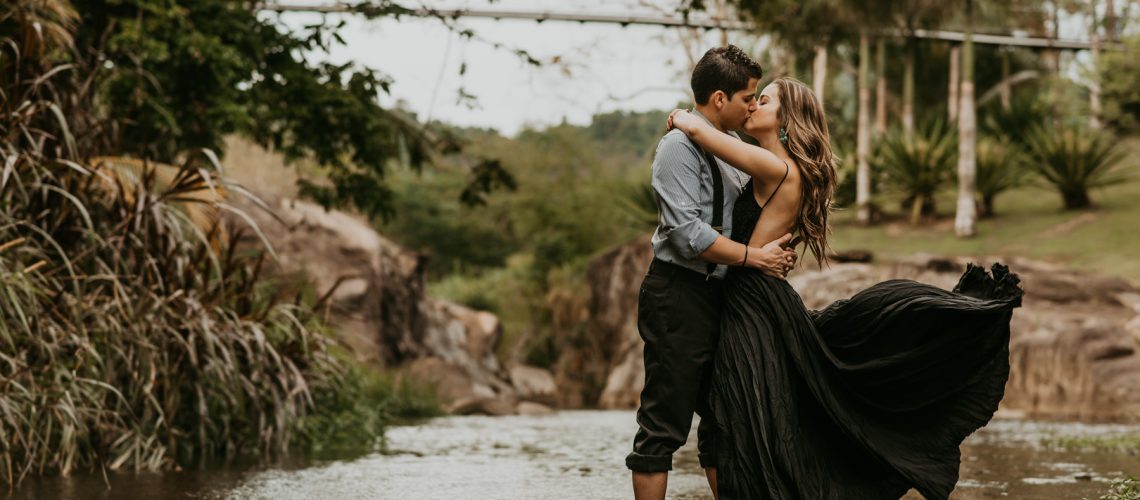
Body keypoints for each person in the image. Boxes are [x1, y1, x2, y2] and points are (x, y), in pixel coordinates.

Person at [667, 77, 1023, 499]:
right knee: (730, 420)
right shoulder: (773, 166)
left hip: (751, 306)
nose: (752, 108)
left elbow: (699, 132)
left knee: (737, 422)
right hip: (757, 300)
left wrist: (679, 117)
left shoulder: (777, 167)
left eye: (763, 101)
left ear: (787, 120)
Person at [626, 46, 799, 500]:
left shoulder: (733, 149)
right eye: (748, 97)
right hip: (678, 294)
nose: (753, 105)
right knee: (664, 423)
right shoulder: (678, 147)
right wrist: (754, 257)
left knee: (724, 421)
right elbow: (688, 235)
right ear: (719, 98)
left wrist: (770, 249)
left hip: (722, 298)